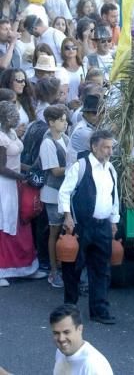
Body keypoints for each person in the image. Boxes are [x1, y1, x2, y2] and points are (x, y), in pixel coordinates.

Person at [58, 129, 119, 324]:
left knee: (102, 269)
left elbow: (114, 197)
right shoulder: (81, 166)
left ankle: (99, 311)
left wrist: (114, 221)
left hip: (103, 226)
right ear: (94, 147)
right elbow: (64, 192)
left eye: (111, 147)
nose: (109, 151)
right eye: (105, 147)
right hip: (82, 225)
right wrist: (67, 216)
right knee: (73, 268)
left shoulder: (111, 169)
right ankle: (70, 310)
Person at [0, 100, 46, 286]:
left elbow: (16, 161)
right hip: (5, 186)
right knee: (5, 225)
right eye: (12, 115)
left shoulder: (10, 133)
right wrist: (21, 176)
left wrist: (31, 168)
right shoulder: (1, 137)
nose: (17, 119)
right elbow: (1, 167)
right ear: (3, 116)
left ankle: (26, 267)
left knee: (23, 224)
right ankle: (2, 270)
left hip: (17, 183)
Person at [39, 104, 69, 289]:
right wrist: (74, 168)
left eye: (65, 120)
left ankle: (64, 266)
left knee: (65, 231)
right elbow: (55, 171)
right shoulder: (47, 143)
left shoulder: (64, 138)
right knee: (54, 232)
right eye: (61, 120)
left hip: (64, 192)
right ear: (51, 122)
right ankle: (53, 270)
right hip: (52, 193)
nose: (65, 123)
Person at [50, 304, 113, 374]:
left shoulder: (93, 365)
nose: (61, 339)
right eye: (56, 333)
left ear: (80, 329)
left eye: (66, 332)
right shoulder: (60, 352)